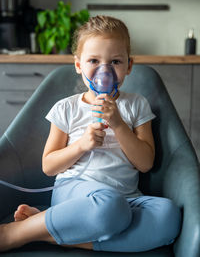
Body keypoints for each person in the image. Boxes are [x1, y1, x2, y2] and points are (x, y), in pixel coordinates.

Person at [0, 15, 181, 252]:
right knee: (109, 207)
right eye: (94, 60)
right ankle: (14, 233)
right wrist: (82, 145)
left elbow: (145, 163)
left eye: (115, 62)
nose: (104, 70)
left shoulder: (137, 105)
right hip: (76, 194)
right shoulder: (67, 108)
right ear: (78, 65)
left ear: (129, 66)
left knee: (168, 216)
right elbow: (49, 166)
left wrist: (118, 124)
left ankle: (43, 231)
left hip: (126, 198)